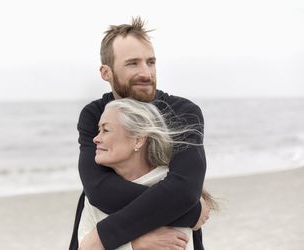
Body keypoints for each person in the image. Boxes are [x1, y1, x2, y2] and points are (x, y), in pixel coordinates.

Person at [70, 17, 209, 250]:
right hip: (97, 220)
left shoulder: (183, 113)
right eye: (132, 63)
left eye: (151, 62)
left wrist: (102, 237)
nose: (146, 72)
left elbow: (184, 189)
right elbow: (100, 189)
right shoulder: (95, 114)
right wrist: (189, 211)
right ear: (106, 72)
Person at [78, 98, 216, 250]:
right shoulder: (96, 195)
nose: (95, 139)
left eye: (106, 130)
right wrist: (135, 245)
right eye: (98, 130)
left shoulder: (172, 189)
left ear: (138, 140)